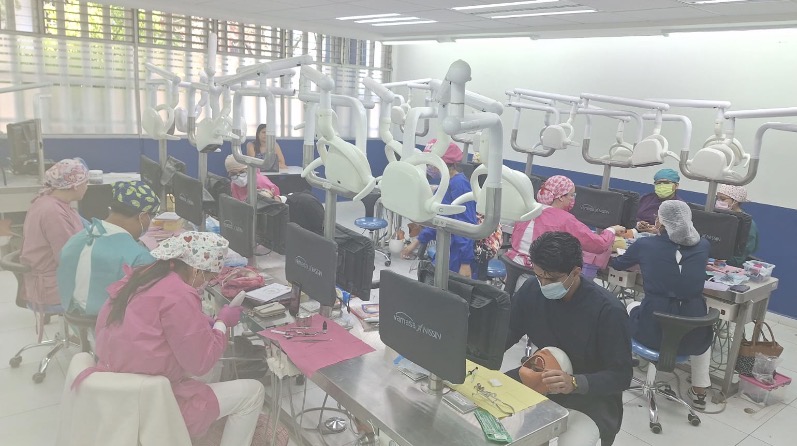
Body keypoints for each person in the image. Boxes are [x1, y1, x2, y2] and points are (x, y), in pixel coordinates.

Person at [73, 232, 263, 445]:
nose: (206, 283)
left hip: (115, 392)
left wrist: (198, 321)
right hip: (152, 406)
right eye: (208, 277)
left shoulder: (142, 276)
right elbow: (201, 363)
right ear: (196, 269)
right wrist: (222, 324)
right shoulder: (179, 294)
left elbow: (148, 322)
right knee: (253, 392)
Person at [505, 232, 633, 445]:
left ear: (576, 272)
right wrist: (479, 356)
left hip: (592, 394)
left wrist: (575, 382)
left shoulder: (608, 311)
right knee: (496, 417)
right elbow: (509, 331)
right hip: (544, 377)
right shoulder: (532, 290)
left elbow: (622, 375)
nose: (544, 284)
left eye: (552, 279)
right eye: (539, 275)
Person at [610, 200, 713, 409]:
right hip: (693, 338)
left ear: (660, 222)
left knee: (628, 304)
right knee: (702, 327)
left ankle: (620, 366)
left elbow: (618, 264)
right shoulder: (703, 245)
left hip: (652, 331)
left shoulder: (645, 245)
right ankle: (700, 390)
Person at [58, 181, 160, 315]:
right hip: (110, 323)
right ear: (143, 217)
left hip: (73, 317)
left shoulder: (77, 239)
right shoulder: (139, 257)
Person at [505, 175, 624, 269]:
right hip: (541, 275)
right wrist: (611, 230)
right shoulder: (565, 220)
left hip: (512, 267)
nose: (573, 199)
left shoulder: (528, 210)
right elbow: (598, 245)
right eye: (572, 195)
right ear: (561, 197)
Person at [20, 158, 89, 311]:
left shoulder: (50, 201)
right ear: (75, 185)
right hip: (52, 289)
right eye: (85, 182)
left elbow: (85, 227)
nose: (86, 187)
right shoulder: (54, 213)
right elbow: (68, 258)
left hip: (52, 279)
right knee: (113, 293)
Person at [401, 140, 477, 277]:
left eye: (432, 164)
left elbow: (466, 226)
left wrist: (465, 263)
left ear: (444, 163)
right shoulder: (445, 184)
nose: (429, 167)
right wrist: (416, 242)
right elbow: (437, 220)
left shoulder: (459, 184)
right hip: (445, 247)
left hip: (457, 254)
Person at [716, 184, 759, 267]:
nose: (718, 201)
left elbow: (741, 255)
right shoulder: (719, 216)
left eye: (723, 199)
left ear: (736, 201)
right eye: (717, 198)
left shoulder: (747, 224)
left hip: (732, 266)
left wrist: (724, 260)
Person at [636, 168, 685, 233]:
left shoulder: (680, 206)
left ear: (676, 186)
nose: (662, 186)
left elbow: (681, 231)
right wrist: (638, 225)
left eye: (666, 183)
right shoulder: (646, 199)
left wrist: (659, 232)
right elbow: (632, 218)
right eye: (658, 183)